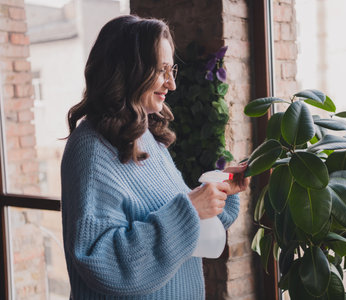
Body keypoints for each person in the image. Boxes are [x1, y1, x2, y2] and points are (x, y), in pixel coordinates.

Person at [61, 15, 249, 300]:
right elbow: (102, 263)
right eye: (161, 71)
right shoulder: (90, 148)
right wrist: (191, 209)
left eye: (170, 69)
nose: (171, 84)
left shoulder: (143, 135)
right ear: (128, 71)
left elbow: (181, 225)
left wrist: (218, 192)